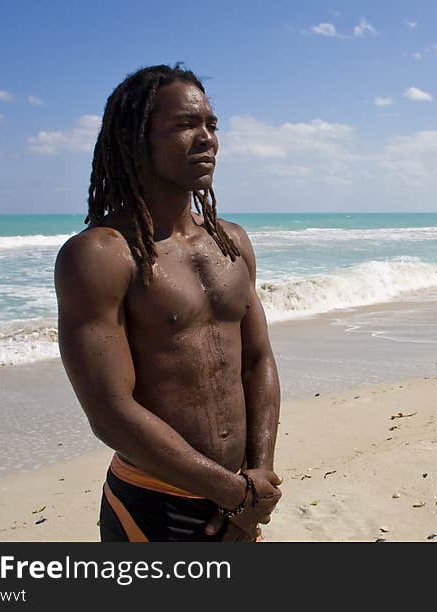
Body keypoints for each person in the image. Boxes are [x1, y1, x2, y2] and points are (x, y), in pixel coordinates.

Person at [55, 64, 281, 542]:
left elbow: (258, 362)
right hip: (154, 505)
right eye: (184, 125)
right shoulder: (100, 255)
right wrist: (232, 492)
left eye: (211, 125)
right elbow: (110, 411)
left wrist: (258, 477)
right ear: (137, 139)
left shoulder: (231, 242)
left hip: (238, 499)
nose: (207, 139)